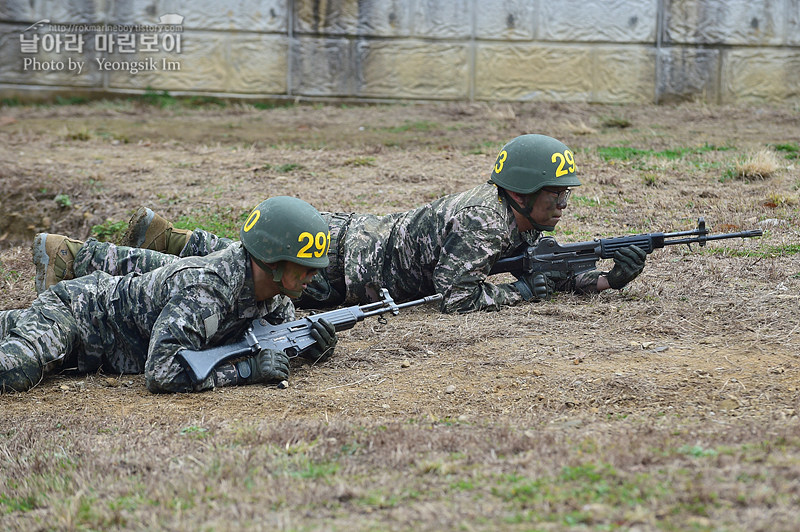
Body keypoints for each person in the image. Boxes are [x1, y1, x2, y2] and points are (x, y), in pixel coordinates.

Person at [34, 134, 647, 314]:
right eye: (554, 193)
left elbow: (525, 265)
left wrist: (595, 278)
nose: (563, 203)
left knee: (227, 259)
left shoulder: (510, 219)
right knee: (211, 279)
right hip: (347, 269)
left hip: (355, 239)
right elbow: (461, 294)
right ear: (521, 192)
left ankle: (165, 237)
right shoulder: (484, 221)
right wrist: (522, 292)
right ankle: (77, 259)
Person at [1, 197, 338, 393]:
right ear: (272, 261)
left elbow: (272, 339)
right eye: (305, 265)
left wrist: (310, 346)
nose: (315, 274)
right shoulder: (206, 290)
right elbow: (161, 372)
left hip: (92, 352)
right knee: (16, 369)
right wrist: (246, 373)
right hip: (76, 315)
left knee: (15, 330)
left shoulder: (275, 298)